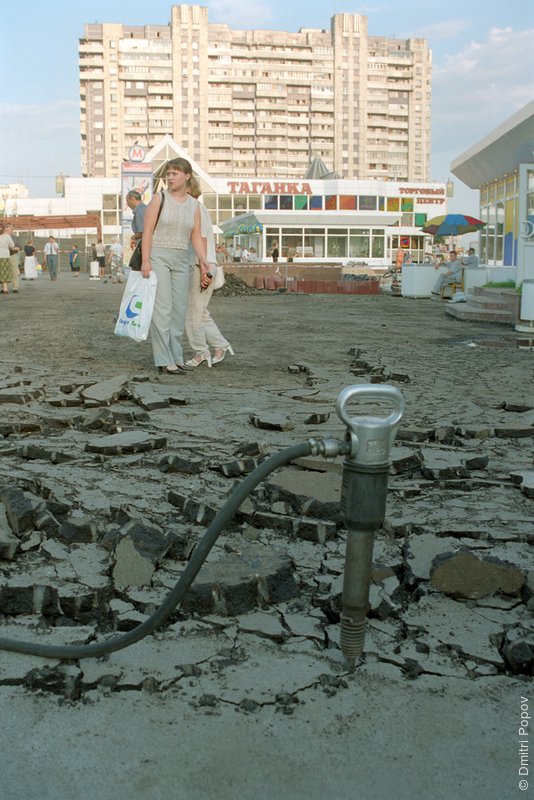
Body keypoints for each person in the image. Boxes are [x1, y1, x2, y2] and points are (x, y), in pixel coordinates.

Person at [140, 157, 210, 376]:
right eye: (168, 173)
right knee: (163, 308)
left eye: (174, 173)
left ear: (187, 176)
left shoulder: (194, 206)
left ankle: (176, 356)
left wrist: (203, 259)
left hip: (182, 258)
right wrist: (145, 260)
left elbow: (196, 236)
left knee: (179, 309)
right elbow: (148, 232)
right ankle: (163, 359)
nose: (170, 177)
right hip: (159, 256)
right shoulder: (158, 199)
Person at [184, 184, 234, 368]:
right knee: (200, 312)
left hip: (200, 265)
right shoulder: (198, 208)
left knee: (192, 315)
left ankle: (201, 352)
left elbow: (201, 239)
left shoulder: (194, 209)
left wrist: (204, 268)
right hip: (203, 263)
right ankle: (220, 346)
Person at [126, 190, 147, 256]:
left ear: (132, 199)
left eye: (128, 202)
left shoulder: (139, 211)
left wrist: (133, 237)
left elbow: (142, 232)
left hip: (144, 246)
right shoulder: (145, 208)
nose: (128, 204)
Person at [0, 222, 15, 294]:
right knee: (4, 272)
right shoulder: (7, 236)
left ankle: (3, 289)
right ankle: (5, 289)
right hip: (5, 256)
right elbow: (12, 246)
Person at [5, 226, 20, 293]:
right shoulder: (2, 237)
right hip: (4, 256)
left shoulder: (15, 238)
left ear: (12, 231)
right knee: (4, 272)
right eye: (6, 230)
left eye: (9, 230)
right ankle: (4, 288)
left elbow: (19, 247)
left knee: (15, 272)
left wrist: (14, 248)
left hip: (12, 255)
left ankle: (15, 287)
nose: (7, 231)